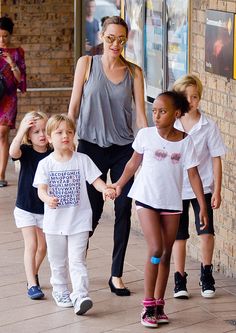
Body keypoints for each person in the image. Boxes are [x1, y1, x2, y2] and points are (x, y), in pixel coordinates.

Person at [112, 91, 208, 328]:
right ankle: (146, 306)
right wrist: (119, 185)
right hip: (146, 200)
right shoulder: (146, 135)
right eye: (154, 110)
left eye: (162, 111)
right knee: (155, 249)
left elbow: (193, 175)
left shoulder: (186, 142)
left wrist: (202, 206)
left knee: (165, 254)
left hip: (172, 205)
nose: (156, 115)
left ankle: (159, 304)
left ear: (176, 114)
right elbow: (133, 163)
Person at [68, 16, 147, 296]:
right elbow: (74, 105)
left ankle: (116, 274)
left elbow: (140, 116)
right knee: (90, 211)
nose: (116, 44)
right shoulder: (86, 64)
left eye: (121, 39)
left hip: (123, 149)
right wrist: (66, 139)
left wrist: (149, 145)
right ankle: (78, 268)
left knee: (124, 209)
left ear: (127, 40)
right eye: (111, 37)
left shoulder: (134, 72)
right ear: (102, 36)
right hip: (90, 147)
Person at [33, 114, 116, 315]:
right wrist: (47, 198)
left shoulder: (82, 160)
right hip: (54, 223)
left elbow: (96, 180)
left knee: (78, 260)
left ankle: (80, 295)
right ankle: (60, 290)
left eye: (69, 132)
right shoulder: (46, 164)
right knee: (57, 260)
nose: (65, 136)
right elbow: (41, 189)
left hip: (79, 221)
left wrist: (105, 189)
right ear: (50, 138)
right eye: (59, 132)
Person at [172, 74, 226, 299]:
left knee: (206, 232)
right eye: (186, 97)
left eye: (195, 97)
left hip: (202, 188)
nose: (191, 101)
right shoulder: (171, 124)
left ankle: (206, 274)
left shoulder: (208, 126)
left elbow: (216, 158)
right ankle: (179, 278)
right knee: (179, 236)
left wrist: (218, 190)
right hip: (176, 189)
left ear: (199, 99)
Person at [9, 111, 51, 300]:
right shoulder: (25, 151)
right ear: (29, 136)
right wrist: (21, 131)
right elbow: (12, 152)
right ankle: (32, 284)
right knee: (31, 244)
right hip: (25, 206)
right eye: (36, 132)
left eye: (44, 130)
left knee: (43, 247)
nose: (41, 135)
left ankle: (31, 273)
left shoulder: (53, 154)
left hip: (45, 208)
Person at [0, 15, 26, 187]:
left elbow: (19, 80)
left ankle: (1, 175)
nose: (2, 39)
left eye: (5, 36)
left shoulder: (17, 52)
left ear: (10, 35)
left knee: (2, 134)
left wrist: (11, 63)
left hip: (8, 97)